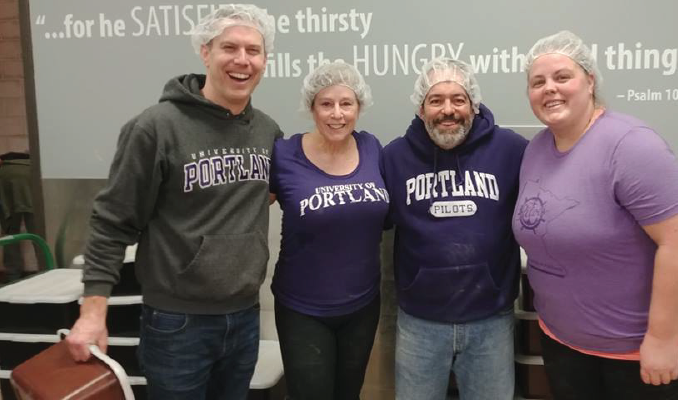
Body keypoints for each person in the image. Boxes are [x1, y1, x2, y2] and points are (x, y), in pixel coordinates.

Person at [65, 5, 282, 399]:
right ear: (205, 51)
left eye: (254, 50)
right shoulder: (156, 127)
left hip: (244, 317)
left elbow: (261, 194)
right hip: (178, 323)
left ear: (265, 60)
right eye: (229, 47)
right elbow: (111, 222)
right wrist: (92, 314)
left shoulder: (267, 130)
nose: (242, 60)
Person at [513, 30, 678, 399]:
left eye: (562, 77)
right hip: (565, 342)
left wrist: (662, 339)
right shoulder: (536, 150)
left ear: (589, 81)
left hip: (637, 350)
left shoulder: (631, 145)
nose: (549, 89)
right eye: (537, 82)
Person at [382, 58, 527, 399]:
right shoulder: (393, 158)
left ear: (474, 105)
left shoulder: (512, 151)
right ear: (421, 108)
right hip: (420, 323)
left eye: (458, 99)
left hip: (491, 322)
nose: (448, 110)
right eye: (436, 100)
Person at [269, 61, 388, 399]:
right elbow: (244, 208)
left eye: (346, 103)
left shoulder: (371, 148)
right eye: (326, 104)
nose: (337, 114)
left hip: (362, 306)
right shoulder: (284, 155)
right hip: (303, 310)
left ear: (359, 107)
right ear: (311, 107)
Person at [0, 152, 34, 283]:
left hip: (4, 178)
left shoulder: (5, 168)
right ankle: (47, 270)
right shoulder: (32, 165)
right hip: (30, 175)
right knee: (38, 233)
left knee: (10, 233)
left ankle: (12, 277)